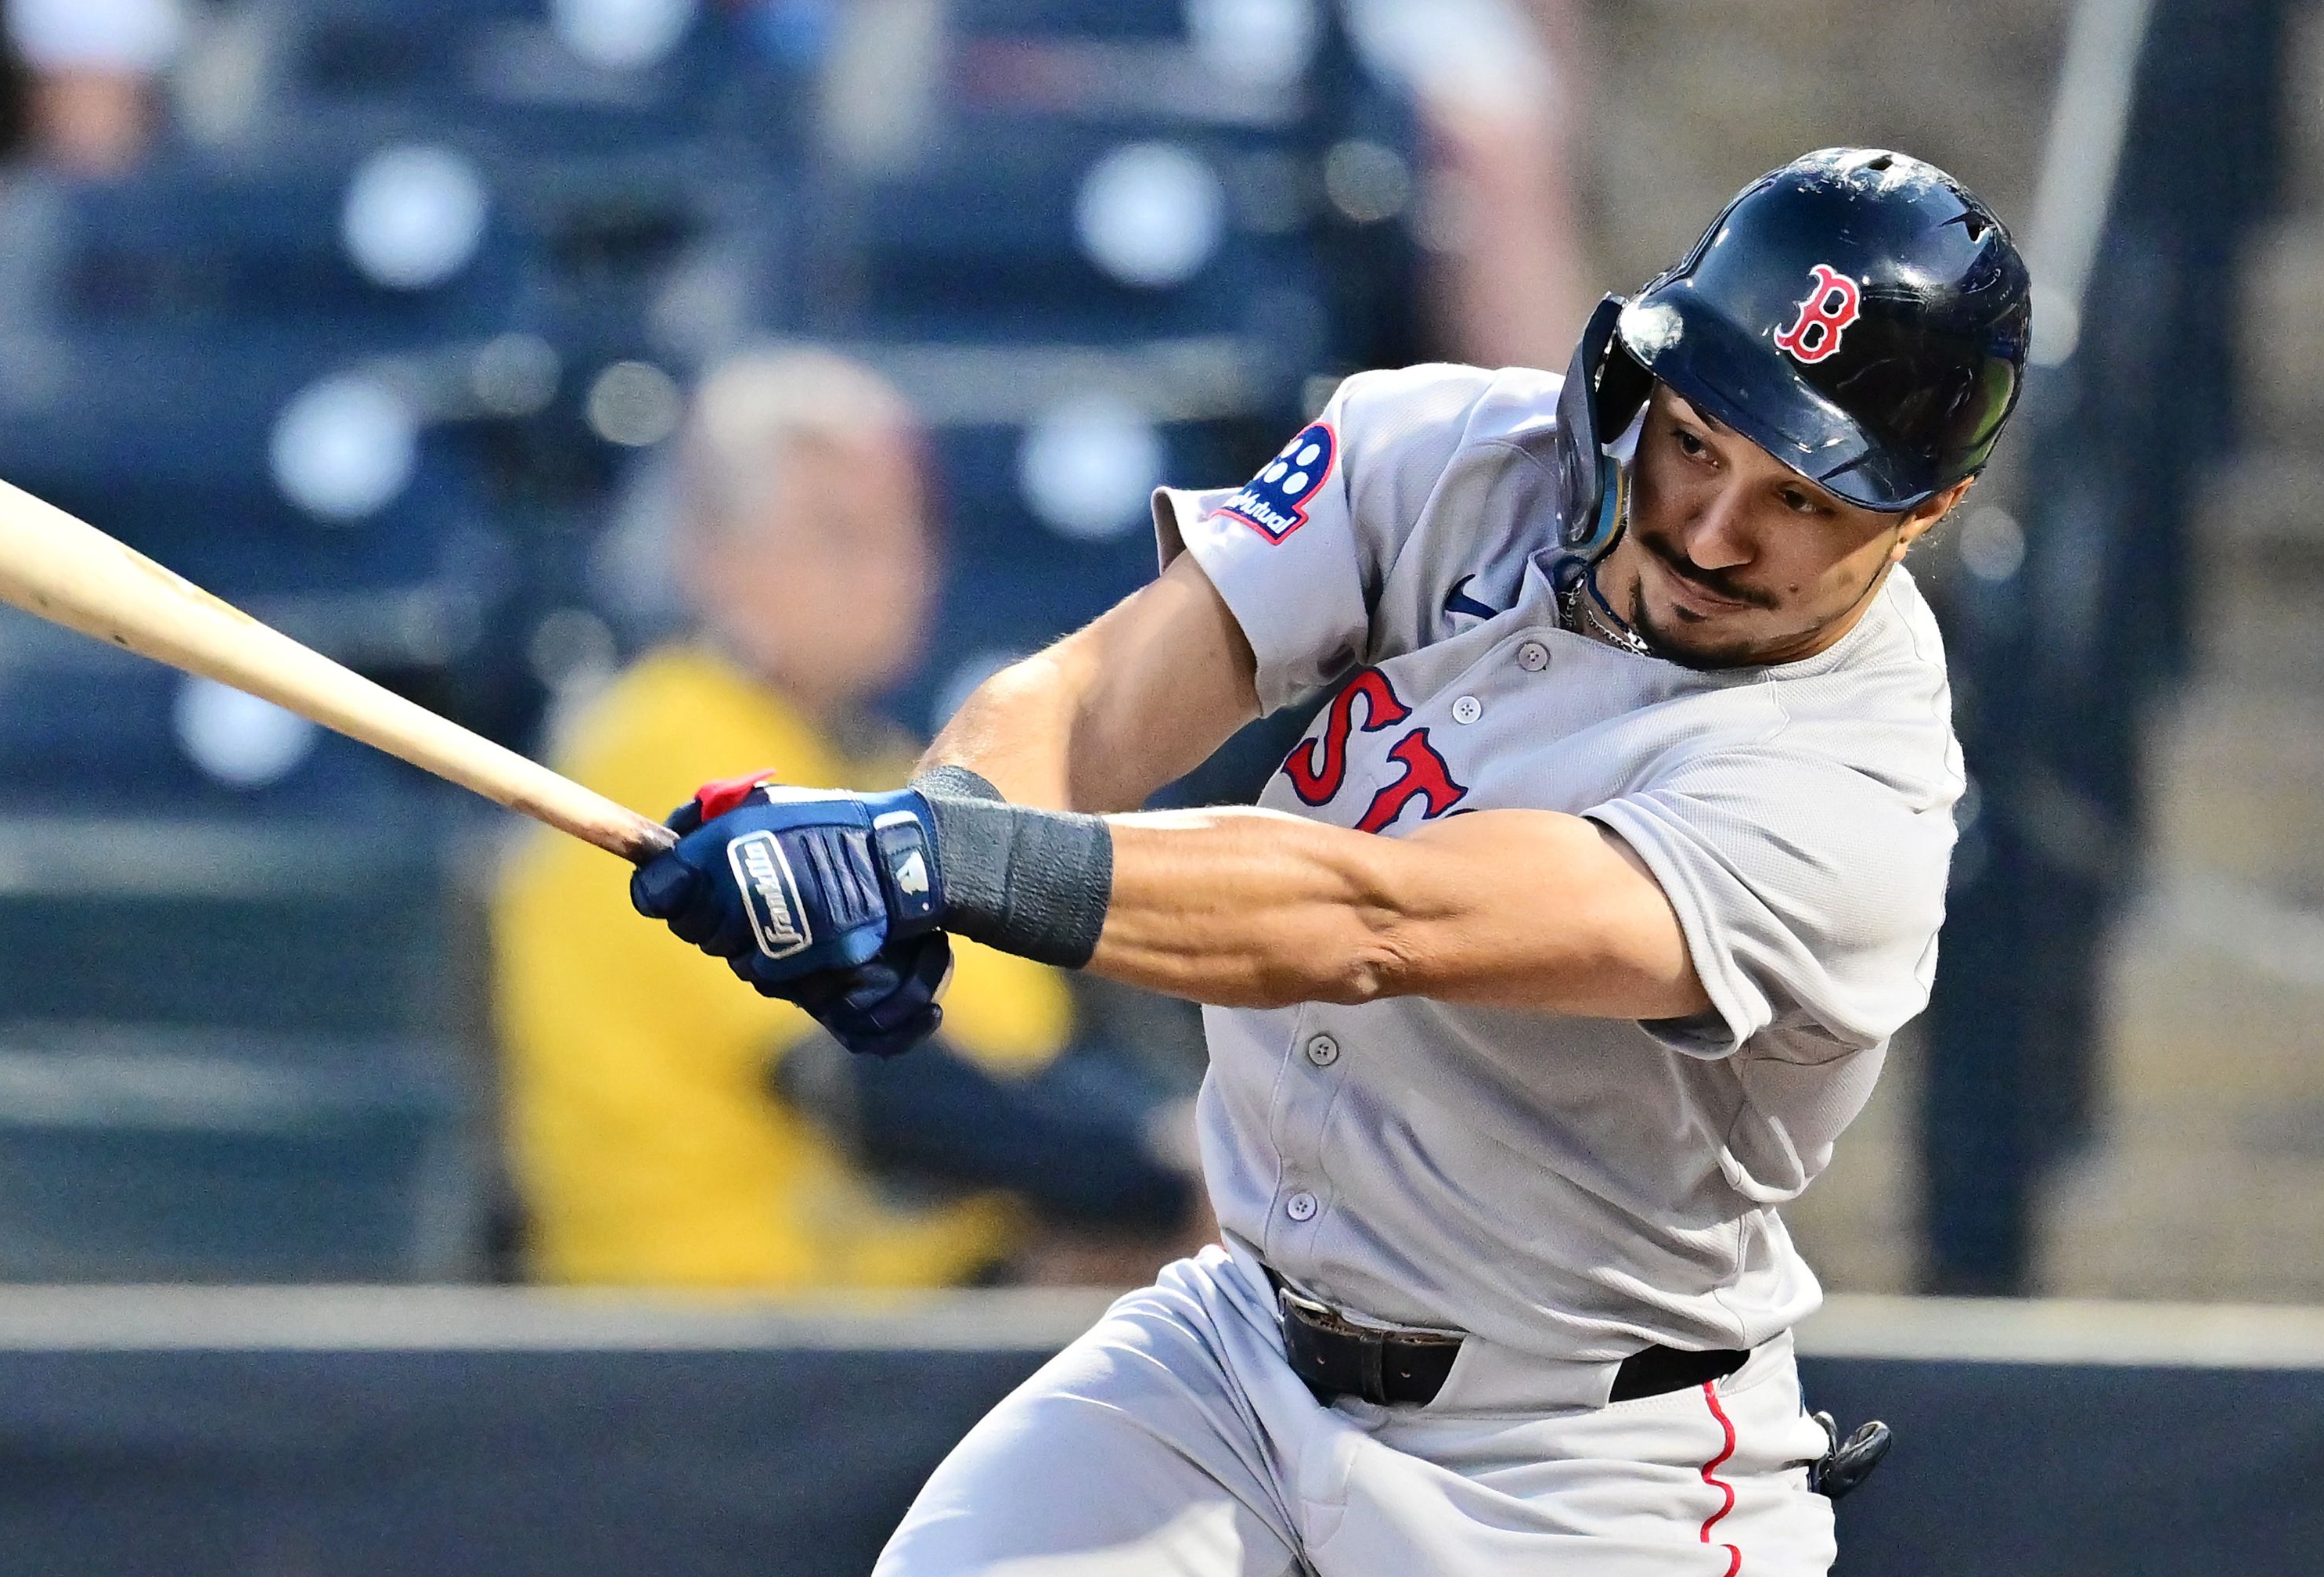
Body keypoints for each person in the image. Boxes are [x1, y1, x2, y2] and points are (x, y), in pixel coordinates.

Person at [627, 149, 2024, 1572]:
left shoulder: (1850, 790)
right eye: (1696, 439)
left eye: (1805, 499)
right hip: (1242, 1344)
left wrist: (949, 865)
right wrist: (923, 847)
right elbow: (1098, 702)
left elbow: (1370, 919)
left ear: (1925, 510)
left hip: (1575, 1464)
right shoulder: (1449, 456)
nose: (1715, 529)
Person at [497, 347, 1200, 1290]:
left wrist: (1155, 1162)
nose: (893, 572)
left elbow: (1026, 1074)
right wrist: (1160, 1184)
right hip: (696, 1341)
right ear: (716, 556)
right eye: (839, 536)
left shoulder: (882, 766)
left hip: (892, 1308)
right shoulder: (664, 743)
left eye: (910, 534)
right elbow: (880, 1087)